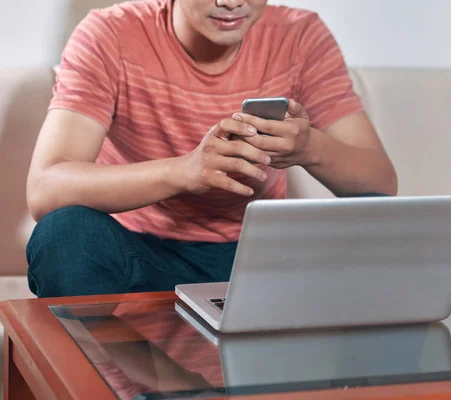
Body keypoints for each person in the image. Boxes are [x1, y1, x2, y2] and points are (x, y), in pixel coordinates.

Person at [25, 0, 398, 298]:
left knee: (387, 228)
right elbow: (46, 187)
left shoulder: (301, 35)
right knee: (64, 233)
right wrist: (184, 171)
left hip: (263, 257)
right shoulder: (109, 33)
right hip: (141, 253)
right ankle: (128, 381)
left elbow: (381, 182)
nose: (230, 3)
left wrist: (310, 147)